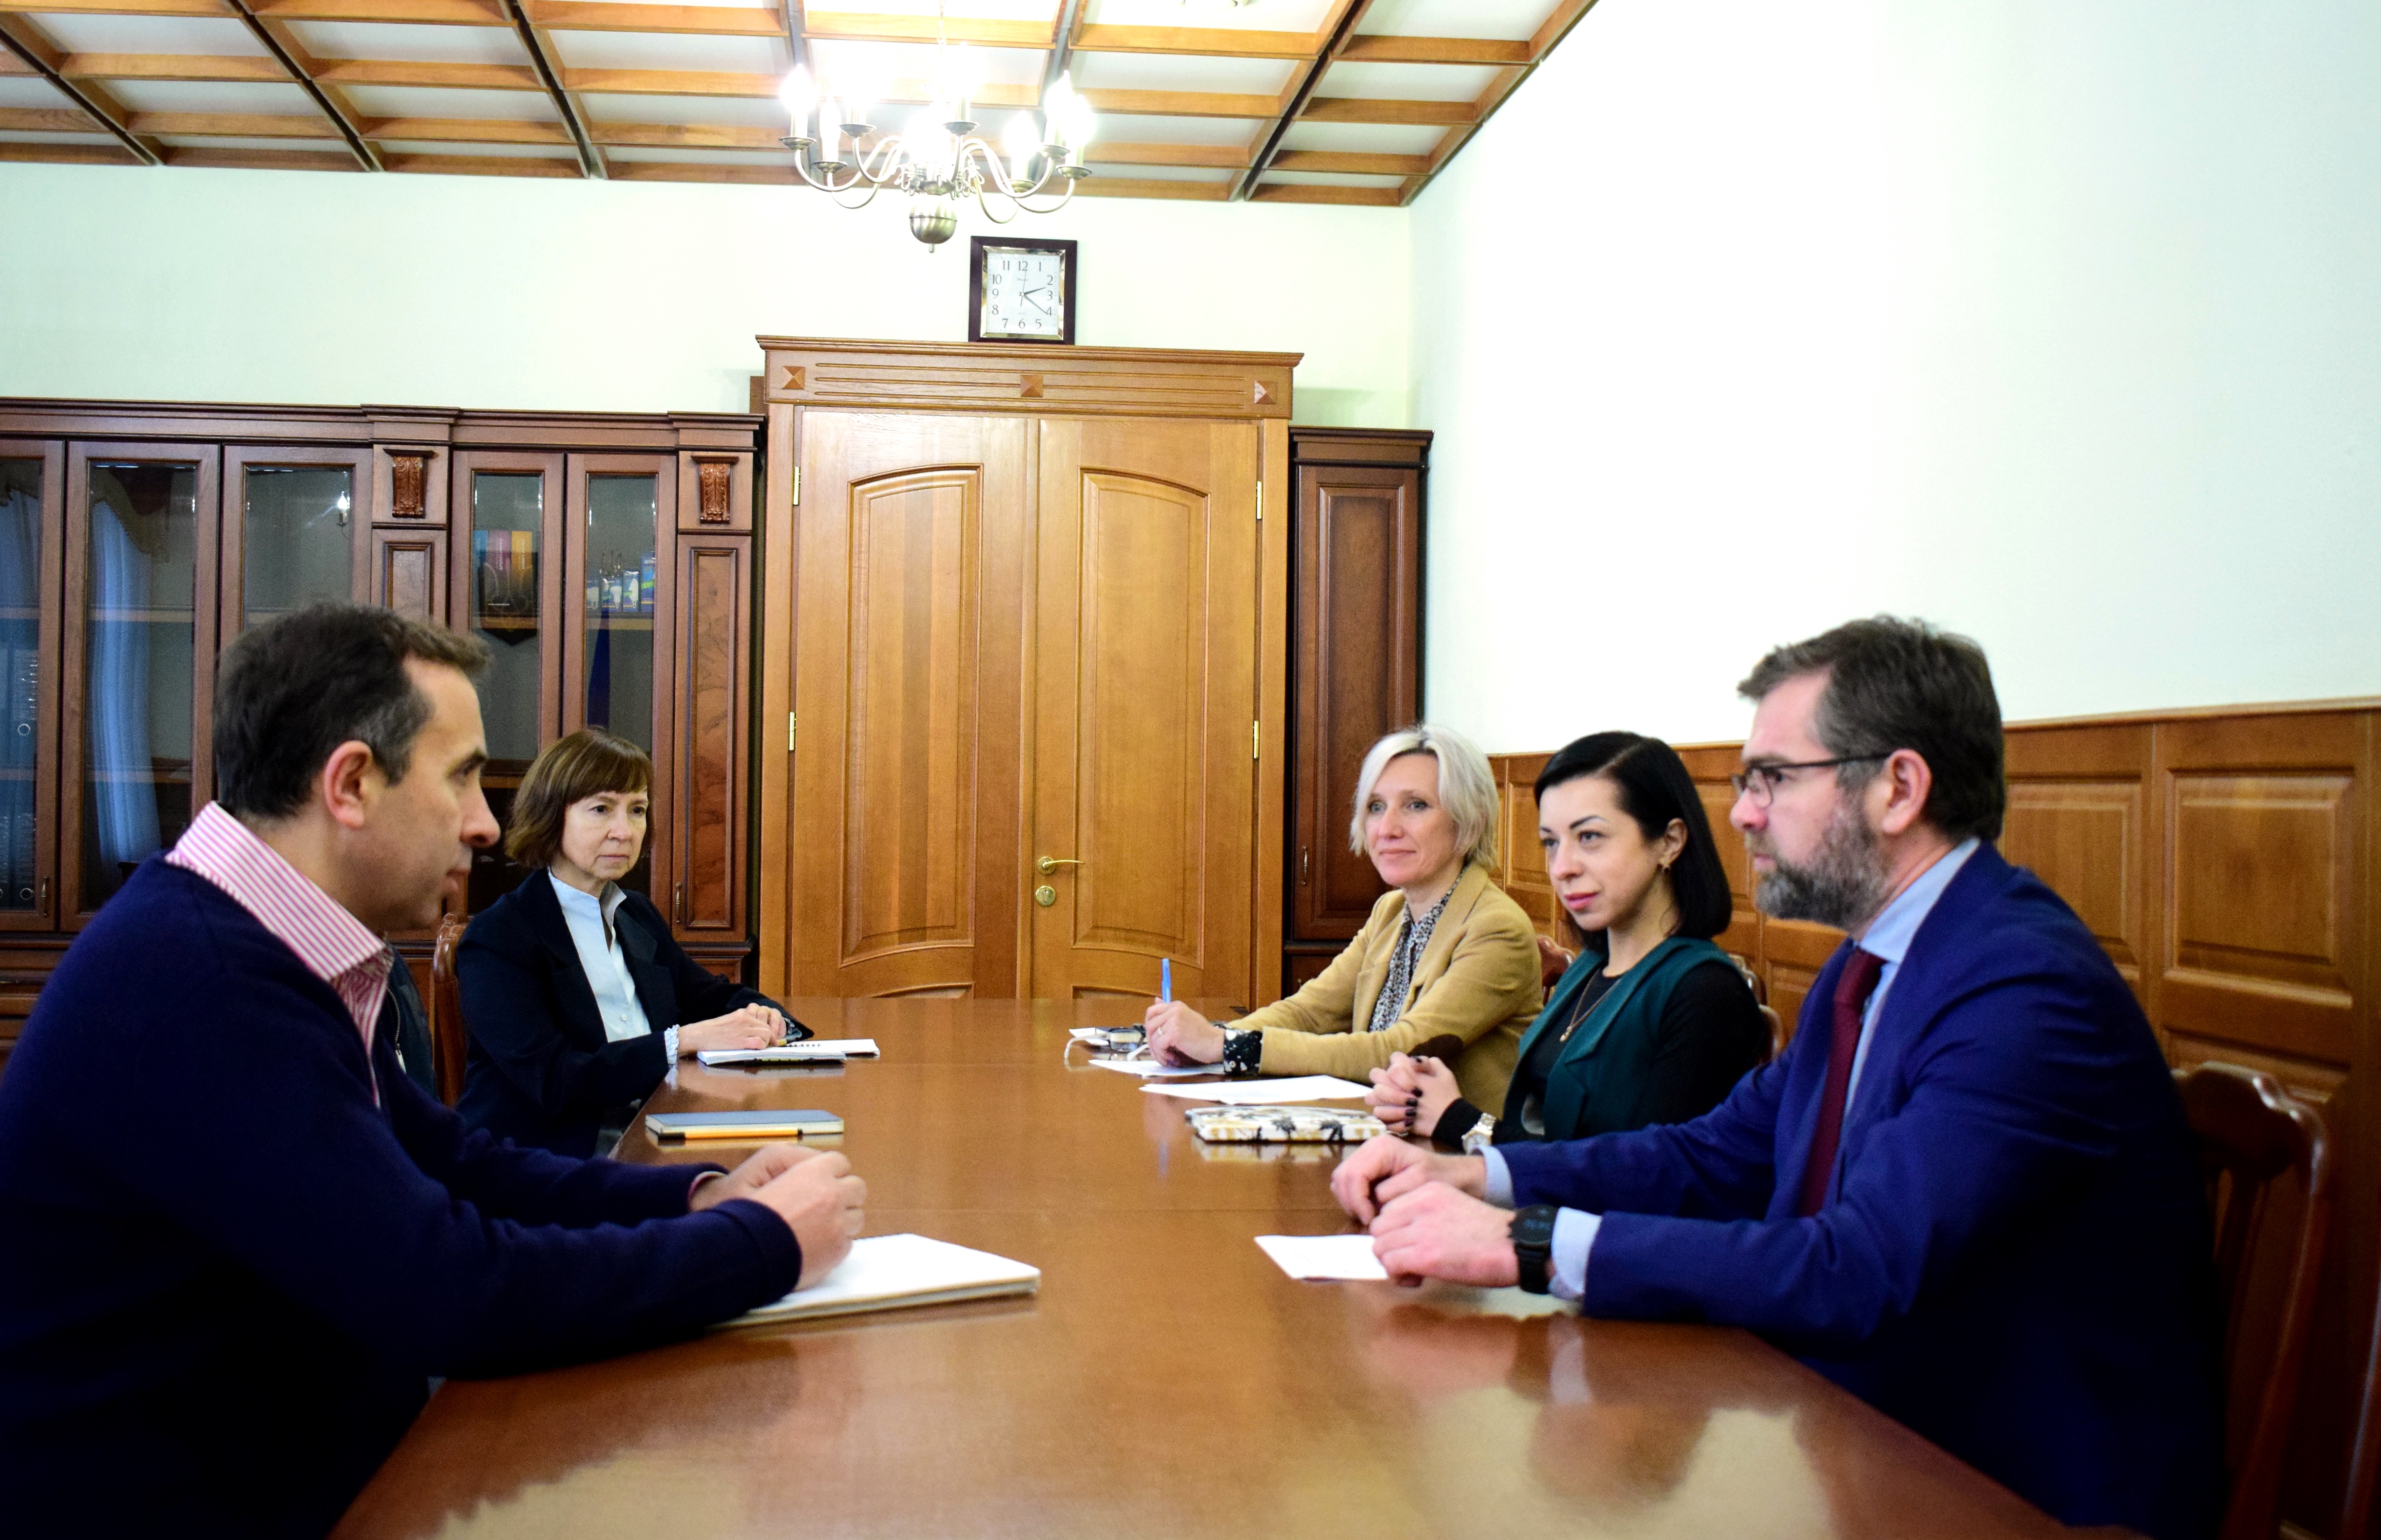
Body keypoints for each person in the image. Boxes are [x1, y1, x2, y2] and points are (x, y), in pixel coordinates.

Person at [1330, 618, 2224, 1540]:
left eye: (1773, 779)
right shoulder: (1869, 964)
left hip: (2015, 1489)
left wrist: (1527, 1242)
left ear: (1899, 787)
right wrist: (1477, 1173)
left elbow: (1858, 1266)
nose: (1743, 813)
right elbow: (1717, 1152)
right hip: (1858, 1431)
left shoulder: (2020, 985)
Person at [0, 603, 866, 1540]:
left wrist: (696, 1197)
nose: (487, 825)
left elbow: (453, 1160)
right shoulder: (203, 980)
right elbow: (448, 1290)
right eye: (461, 778)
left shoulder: (258, 945)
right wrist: (758, 1245)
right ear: (351, 784)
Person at [1368, 732, 1766, 1149]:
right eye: (1551, 843)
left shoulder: (1705, 992)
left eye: (1589, 837)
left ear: (1669, 842)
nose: (1562, 867)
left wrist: (1461, 1120)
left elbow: (1641, 1174)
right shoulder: (1589, 967)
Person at [1144, 724, 1542, 1112]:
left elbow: (1400, 1050)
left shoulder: (1497, 927)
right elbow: (1308, 1012)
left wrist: (1226, 1047)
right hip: (1380, 1131)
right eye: (1376, 807)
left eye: (1416, 805)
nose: (1387, 828)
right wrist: (1211, 1039)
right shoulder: (1390, 911)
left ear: (1470, 819)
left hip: (1452, 1149)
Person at [457, 729, 800, 1157]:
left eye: (637, 810)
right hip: (547, 1162)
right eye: (601, 809)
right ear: (551, 816)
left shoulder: (635, 913)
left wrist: (768, 1017)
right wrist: (680, 1041)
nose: (625, 831)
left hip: (653, 1131)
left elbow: (708, 996)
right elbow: (555, 1078)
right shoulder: (500, 935)